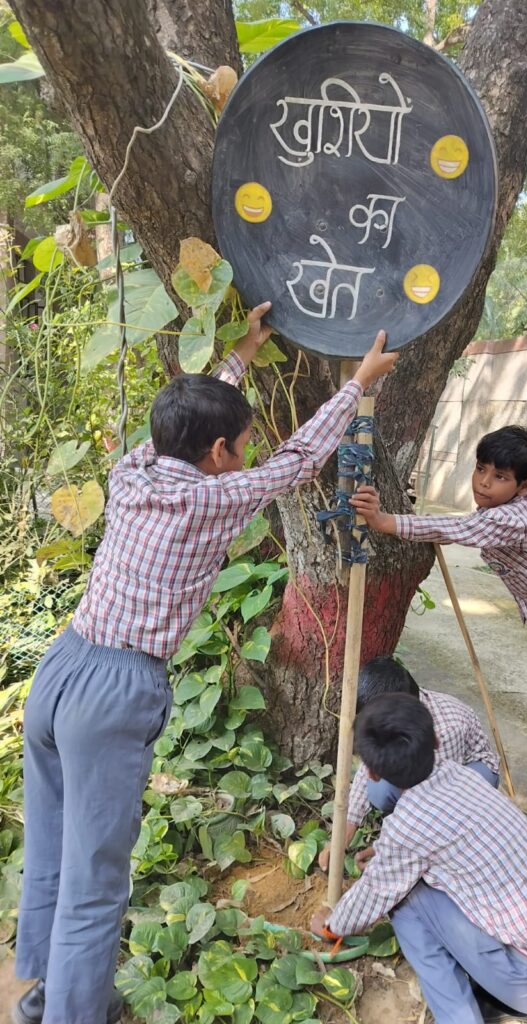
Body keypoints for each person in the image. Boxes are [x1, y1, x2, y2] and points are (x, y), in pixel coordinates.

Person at [14, 304, 398, 1024]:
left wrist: (242, 355)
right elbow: (297, 462)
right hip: (113, 691)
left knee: (53, 841)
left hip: (61, 669)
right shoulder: (214, 496)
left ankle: (43, 987)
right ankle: (69, 1014)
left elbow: (193, 419)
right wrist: (357, 388)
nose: (252, 453)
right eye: (242, 444)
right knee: (97, 879)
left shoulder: (137, 469)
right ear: (219, 452)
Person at [350, 425, 527, 860]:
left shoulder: (514, 517)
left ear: (524, 486)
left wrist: (384, 521)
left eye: (500, 477)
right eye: (480, 469)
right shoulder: (498, 511)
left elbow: (457, 529)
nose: (484, 483)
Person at [311, 694, 527, 1024]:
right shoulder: (462, 775)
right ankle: (520, 1002)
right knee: (415, 882)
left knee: (404, 899)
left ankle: (464, 1016)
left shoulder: (409, 824)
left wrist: (332, 925)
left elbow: (376, 892)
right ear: (436, 741)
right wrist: (391, 852)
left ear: (370, 774)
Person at [318, 655, 499, 872]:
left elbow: (439, 792)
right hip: (434, 777)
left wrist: (396, 845)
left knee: (436, 820)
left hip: (470, 771)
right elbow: (368, 770)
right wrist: (344, 832)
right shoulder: (393, 719)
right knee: (378, 791)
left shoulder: (444, 728)